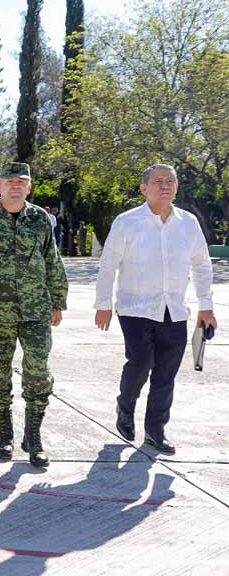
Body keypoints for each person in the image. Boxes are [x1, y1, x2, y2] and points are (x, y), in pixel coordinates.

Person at [94, 164, 216, 454]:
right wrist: (103, 305)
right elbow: (108, 264)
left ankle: (155, 431)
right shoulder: (127, 222)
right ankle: (126, 405)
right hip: (135, 308)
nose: (165, 186)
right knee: (140, 363)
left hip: (174, 310)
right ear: (143, 188)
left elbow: (201, 264)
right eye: (158, 181)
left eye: (170, 182)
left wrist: (206, 306)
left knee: (165, 374)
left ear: (176, 187)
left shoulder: (188, 223)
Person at [0, 162, 68, 467]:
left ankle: (33, 436)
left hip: (35, 310)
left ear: (30, 187)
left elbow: (52, 260)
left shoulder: (41, 219)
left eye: (22, 181)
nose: (16, 186)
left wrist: (58, 300)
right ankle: (4, 435)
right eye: (10, 182)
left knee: (38, 371)